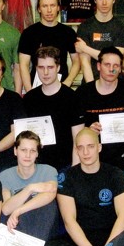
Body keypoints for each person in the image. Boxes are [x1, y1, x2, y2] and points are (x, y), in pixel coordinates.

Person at [40, 128, 124, 246]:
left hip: (112, 236)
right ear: (76, 150)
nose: (86, 152)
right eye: (81, 148)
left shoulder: (116, 174)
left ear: (99, 147)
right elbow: (69, 221)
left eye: (90, 146)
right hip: (81, 240)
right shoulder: (67, 177)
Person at [76, 46, 124, 171]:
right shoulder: (83, 92)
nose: (111, 69)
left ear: (120, 68)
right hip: (95, 158)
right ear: (98, 66)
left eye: (116, 66)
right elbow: (76, 132)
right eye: (107, 65)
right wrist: (88, 131)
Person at [0, 131, 59, 246]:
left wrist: (19, 210)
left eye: (32, 151)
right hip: (18, 226)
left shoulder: (48, 170)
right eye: (23, 150)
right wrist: (29, 189)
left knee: (47, 205)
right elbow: (6, 209)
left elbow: (51, 192)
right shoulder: (5, 175)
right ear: (15, 151)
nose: (28, 155)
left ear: (37, 153)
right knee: (5, 211)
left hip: (44, 225)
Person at [22, 46, 85, 176]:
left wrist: (74, 173)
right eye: (41, 67)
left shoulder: (72, 98)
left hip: (65, 166)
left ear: (58, 67)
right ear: (36, 68)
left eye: (50, 67)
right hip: (35, 166)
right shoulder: (29, 99)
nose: (45, 72)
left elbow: (78, 140)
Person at [18, 0, 80, 93]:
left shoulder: (68, 32)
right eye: (45, 6)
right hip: (36, 88)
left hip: (62, 88)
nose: (49, 10)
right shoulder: (29, 33)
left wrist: (67, 83)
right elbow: (23, 65)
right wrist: (30, 91)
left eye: (52, 5)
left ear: (58, 7)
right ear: (39, 9)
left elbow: (77, 61)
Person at [75, 0, 124, 83]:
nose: (104, 3)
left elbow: (114, 59)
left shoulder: (123, 27)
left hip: (115, 83)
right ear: (95, 0)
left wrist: (85, 48)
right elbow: (84, 62)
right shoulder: (84, 27)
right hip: (91, 81)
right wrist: (92, 87)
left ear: (114, 0)